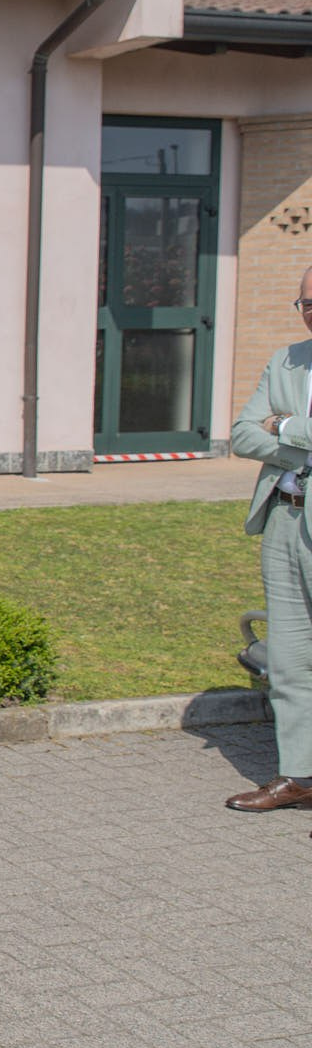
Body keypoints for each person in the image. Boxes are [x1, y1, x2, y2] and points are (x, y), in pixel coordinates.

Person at [227, 262, 312, 822]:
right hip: (284, 518)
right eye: (305, 303)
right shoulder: (286, 358)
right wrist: (298, 447)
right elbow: (239, 434)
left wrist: (283, 427)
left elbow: (266, 429)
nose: (310, 313)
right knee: (288, 660)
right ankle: (300, 775)